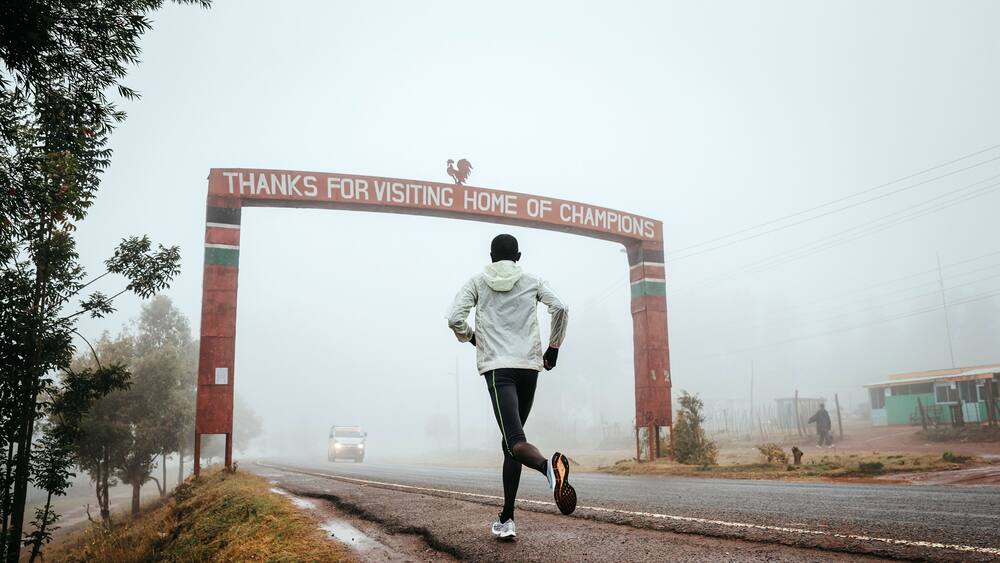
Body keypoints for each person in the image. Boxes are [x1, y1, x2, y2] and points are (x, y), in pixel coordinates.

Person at [446, 233, 574, 541]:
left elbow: (454, 318)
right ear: (518, 256)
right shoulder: (532, 281)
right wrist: (553, 347)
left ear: (491, 257)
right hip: (529, 367)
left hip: (499, 370)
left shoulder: (477, 283)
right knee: (510, 445)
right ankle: (507, 518)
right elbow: (561, 307)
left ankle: (548, 469)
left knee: (515, 441)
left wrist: (472, 337)